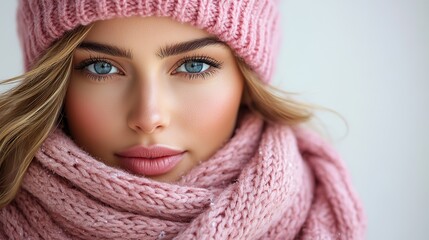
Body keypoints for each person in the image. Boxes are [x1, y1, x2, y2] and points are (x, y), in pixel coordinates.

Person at [0, 0, 366, 239]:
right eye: (101, 67)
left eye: (194, 65)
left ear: (246, 80)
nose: (149, 117)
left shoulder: (319, 214)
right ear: (54, 82)